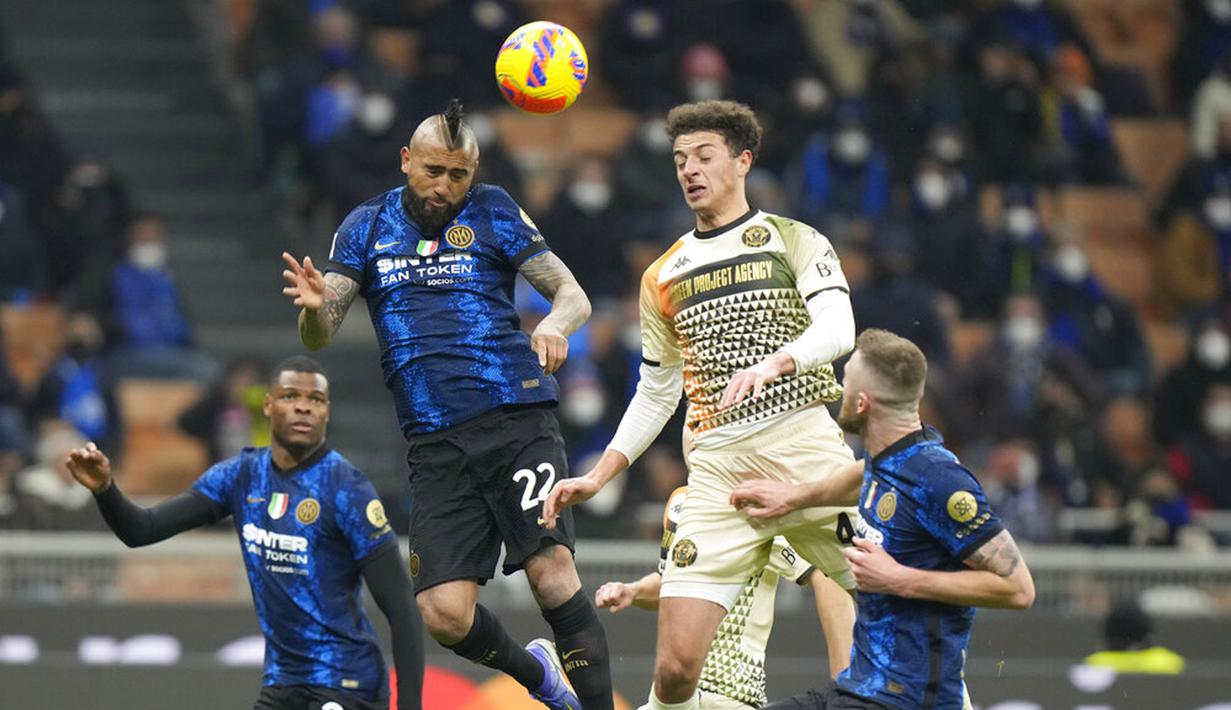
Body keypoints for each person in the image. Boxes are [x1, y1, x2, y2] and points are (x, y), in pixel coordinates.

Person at [280, 100, 609, 710]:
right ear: (407, 160)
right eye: (433, 171)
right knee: (443, 614)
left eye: (458, 175)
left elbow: (571, 293)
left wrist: (556, 325)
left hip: (517, 416)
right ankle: (540, 680)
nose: (444, 187)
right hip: (434, 444)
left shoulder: (493, 210)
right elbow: (321, 332)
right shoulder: (367, 225)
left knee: (552, 573)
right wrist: (312, 309)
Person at [543, 99, 860, 710]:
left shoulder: (793, 240)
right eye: (680, 159)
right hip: (716, 466)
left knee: (897, 611)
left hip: (804, 444)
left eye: (704, 156)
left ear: (742, 161)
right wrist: (601, 472)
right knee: (679, 666)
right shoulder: (664, 273)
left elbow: (839, 327)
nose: (689, 169)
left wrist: (776, 362)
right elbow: (658, 388)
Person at [64, 356, 424, 710]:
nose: (303, 408)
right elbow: (141, 530)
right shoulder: (241, 476)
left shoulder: (347, 490)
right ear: (267, 405)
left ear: (327, 412)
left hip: (346, 683)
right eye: (290, 397)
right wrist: (105, 489)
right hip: (283, 682)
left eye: (315, 400)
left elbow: (401, 607)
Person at [730, 329, 1036, 710]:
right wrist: (794, 497)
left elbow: (1019, 589)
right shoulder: (892, 454)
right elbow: (864, 473)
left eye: (845, 384)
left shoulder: (940, 481)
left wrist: (898, 579)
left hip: (906, 700)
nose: (839, 391)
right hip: (857, 687)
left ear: (862, 404)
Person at [595, 483, 855, 709]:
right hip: (672, 695)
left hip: (730, 695)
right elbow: (673, 584)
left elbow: (826, 577)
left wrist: (845, 692)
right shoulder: (682, 503)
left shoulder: (759, 511)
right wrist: (633, 590)